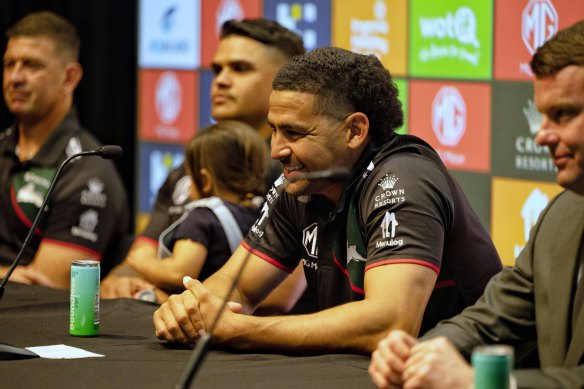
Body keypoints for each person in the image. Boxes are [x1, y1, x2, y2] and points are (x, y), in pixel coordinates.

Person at [152, 46, 502, 354]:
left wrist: (246, 331)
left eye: (294, 132)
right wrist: (189, 307)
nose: (276, 150)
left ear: (355, 131)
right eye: (274, 130)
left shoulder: (404, 180)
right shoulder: (303, 181)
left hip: (469, 375)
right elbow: (237, 286)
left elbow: (391, 323)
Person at [368, 20, 584, 389]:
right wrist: (420, 353)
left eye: (563, 114)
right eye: (542, 115)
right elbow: (494, 315)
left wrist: (480, 382)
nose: (541, 135)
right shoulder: (562, 214)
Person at [100, 18, 305, 300]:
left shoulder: (297, 170)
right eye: (217, 69)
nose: (221, 80)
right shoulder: (186, 169)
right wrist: (122, 279)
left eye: (240, 68)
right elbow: (142, 252)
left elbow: (282, 295)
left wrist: (164, 294)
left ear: (283, 82)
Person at [0, 11, 129, 288]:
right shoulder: (3, 146)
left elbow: (46, 287)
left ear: (69, 78)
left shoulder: (88, 169)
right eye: (9, 64)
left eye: (32, 65)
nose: (15, 77)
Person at [126, 121, 266, 297]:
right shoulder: (261, 211)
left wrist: (142, 262)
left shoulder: (201, 218)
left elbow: (178, 273)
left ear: (205, 181)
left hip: (203, 313)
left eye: (190, 177)